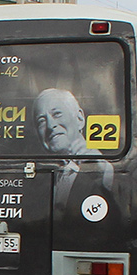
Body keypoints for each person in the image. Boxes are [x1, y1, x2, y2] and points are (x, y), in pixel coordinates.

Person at [33, 88, 115, 216]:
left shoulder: (107, 169)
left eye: (57, 114)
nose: (50, 125)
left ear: (79, 119)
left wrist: (104, 170)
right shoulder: (36, 185)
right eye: (41, 121)